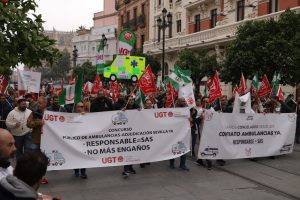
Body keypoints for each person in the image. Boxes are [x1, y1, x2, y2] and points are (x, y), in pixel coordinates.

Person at [26, 97, 48, 184]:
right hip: (36, 140)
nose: (38, 105)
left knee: (44, 160)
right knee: (35, 159)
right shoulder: (34, 113)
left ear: (45, 104)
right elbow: (28, 124)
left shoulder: (50, 113)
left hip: (47, 140)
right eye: (38, 103)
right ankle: (38, 176)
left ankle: (42, 176)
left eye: (40, 103)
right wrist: (37, 123)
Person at [169, 97, 189, 171]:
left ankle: (182, 164)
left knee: (183, 148)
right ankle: (171, 163)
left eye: (184, 101)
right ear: (178, 101)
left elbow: (191, 117)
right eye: (182, 101)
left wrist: (190, 118)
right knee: (173, 148)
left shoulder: (187, 108)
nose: (184, 102)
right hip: (174, 132)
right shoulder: (172, 107)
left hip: (183, 132)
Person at [122, 96, 140, 177]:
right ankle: (126, 169)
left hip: (135, 132)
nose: (131, 101)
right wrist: (122, 111)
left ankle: (131, 167)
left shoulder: (137, 106)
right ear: (127, 101)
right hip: (126, 133)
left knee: (132, 151)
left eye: (132, 100)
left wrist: (140, 110)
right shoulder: (124, 107)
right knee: (127, 151)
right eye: (130, 100)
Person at [73, 102, 88, 179]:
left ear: (83, 108)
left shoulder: (87, 116)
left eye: (81, 106)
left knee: (83, 156)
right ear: (76, 108)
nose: (80, 108)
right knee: (75, 156)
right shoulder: (72, 117)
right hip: (75, 140)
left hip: (83, 140)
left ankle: (83, 172)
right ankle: (76, 171)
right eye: (78, 107)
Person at [139, 99, 153, 168]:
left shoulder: (154, 111)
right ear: (145, 105)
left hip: (151, 131)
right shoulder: (142, 111)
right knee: (143, 147)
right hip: (143, 132)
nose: (149, 105)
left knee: (149, 147)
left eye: (150, 103)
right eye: (148, 103)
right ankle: (142, 161)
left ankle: (147, 159)